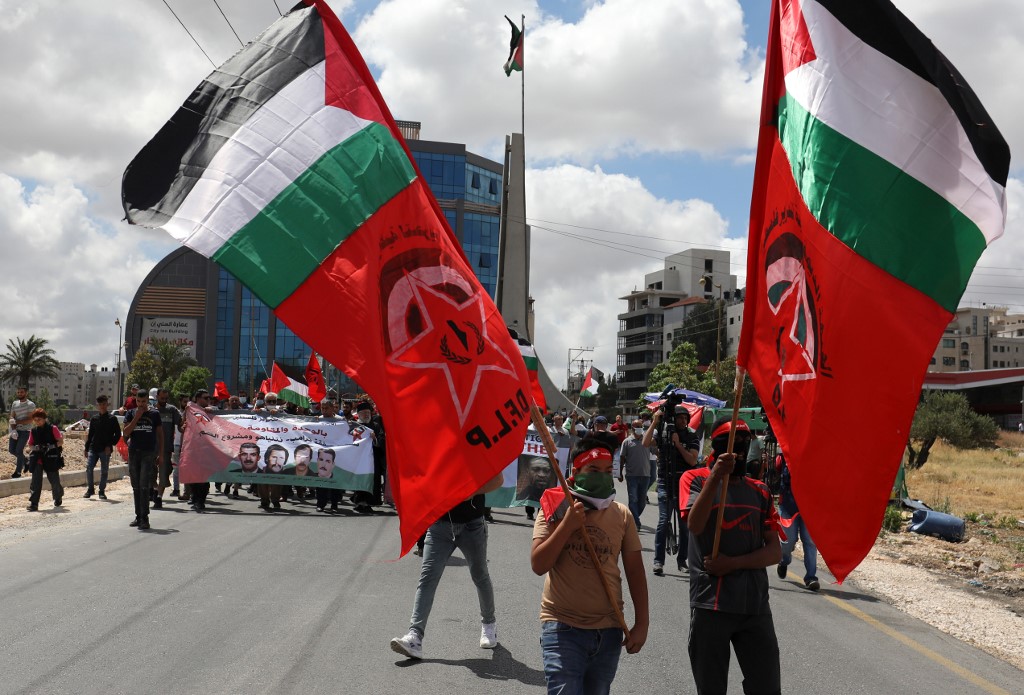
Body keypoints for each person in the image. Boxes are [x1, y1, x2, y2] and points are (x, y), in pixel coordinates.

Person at [530, 438, 649, 694]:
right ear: (576, 472)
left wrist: (642, 624)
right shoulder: (556, 506)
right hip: (562, 629)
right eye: (594, 471)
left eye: (608, 471)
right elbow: (539, 564)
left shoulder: (622, 514)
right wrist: (567, 526)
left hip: (609, 631)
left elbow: (635, 571)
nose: (603, 478)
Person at [680, 417, 781, 695]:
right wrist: (715, 477)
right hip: (711, 605)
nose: (739, 451)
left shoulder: (760, 491)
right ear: (718, 447)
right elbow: (694, 525)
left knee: (767, 687)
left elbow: (775, 550)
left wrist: (732, 564)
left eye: (744, 445)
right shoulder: (694, 479)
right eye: (732, 445)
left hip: (755, 607)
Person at [390, 471, 505, 660]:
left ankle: (489, 624)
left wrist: (473, 491)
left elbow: (498, 480)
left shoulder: (475, 445)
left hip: (472, 526)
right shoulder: (437, 446)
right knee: (428, 578)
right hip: (439, 525)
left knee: (480, 575)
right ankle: (415, 637)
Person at [644, 407, 700, 576]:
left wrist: (677, 445)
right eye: (679, 418)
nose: (683, 421)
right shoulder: (662, 434)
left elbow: (692, 461)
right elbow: (645, 443)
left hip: (684, 486)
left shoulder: (691, 436)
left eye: (685, 418)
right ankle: (658, 561)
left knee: (685, 527)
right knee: (663, 522)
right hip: (664, 483)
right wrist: (654, 422)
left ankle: (682, 561)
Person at [776, 453, 819, 591]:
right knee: (788, 541)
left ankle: (811, 578)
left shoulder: (815, 459)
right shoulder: (783, 458)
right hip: (788, 506)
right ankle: (784, 561)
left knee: (810, 542)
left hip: (809, 509)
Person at [122, 389, 163, 530]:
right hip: (134, 452)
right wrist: (136, 418)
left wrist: (161, 454)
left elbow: (160, 435)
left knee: (144, 485)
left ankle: (145, 518)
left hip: (148, 453)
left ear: (148, 400)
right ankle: (138, 516)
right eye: (138, 402)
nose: (141, 404)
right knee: (136, 486)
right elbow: (126, 433)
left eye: (144, 401)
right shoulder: (130, 413)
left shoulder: (154, 414)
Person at [618, 419, 655, 529]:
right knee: (633, 499)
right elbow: (622, 458)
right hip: (632, 475)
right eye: (637, 426)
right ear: (632, 428)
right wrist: (619, 473)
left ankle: (632, 519)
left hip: (645, 475)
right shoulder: (627, 441)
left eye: (641, 426)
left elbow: (656, 451)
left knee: (642, 501)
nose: (640, 428)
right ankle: (636, 522)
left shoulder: (647, 440)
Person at [83, 395, 121, 499]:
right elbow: (90, 435)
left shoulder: (112, 419)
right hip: (93, 448)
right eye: (100, 404)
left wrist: (110, 445)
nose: (102, 406)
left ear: (107, 404)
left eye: (104, 404)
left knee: (104, 471)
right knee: (89, 468)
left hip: (105, 449)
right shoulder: (94, 419)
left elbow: (117, 435)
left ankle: (101, 491)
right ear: (97, 406)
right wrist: (86, 448)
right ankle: (90, 489)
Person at [26, 408, 64, 511]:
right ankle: (34, 504)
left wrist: (51, 446)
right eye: (35, 420)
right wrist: (36, 448)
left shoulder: (53, 428)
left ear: (44, 418)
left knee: (54, 480)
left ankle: (58, 496)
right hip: (38, 458)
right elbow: (30, 444)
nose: (37, 421)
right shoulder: (33, 431)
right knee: (35, 482)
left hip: (51, 458)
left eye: (39, 419)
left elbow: (60, 441)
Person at [153, 388, 182, 509]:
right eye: (162, 398)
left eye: (166, 398)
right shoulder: (150, 411)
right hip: (150, 448)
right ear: (157, 397)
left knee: (164, 474)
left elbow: (180, 426)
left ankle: (159, 497)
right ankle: (155, 489)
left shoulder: (172, 410)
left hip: (165, 448)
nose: (164, 400)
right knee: (150, 474)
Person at [350, 401, 378, 514]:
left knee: (370, 481)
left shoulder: (375, 426)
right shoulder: (355, 426)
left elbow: (381, 441)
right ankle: (359, 502)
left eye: (368, 413)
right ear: (359, 414)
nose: (366, 415)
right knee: (359, 479)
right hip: (358, 459)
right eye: (364, 413)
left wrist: (374, 438)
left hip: (372, 460)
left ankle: (367, 502)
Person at [516, 453, 555, 521]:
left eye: (546, 471)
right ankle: (530, 512)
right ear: (528, 471)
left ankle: (540, 514)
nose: (541, 475)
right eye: (536, 469)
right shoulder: (522, 495)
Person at [8, 386, 35, 478]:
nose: (20, 394)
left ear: (26, 393)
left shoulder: (30, 405)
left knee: (19, 451)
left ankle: (18, 472)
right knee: (11, 450)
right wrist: (13, 428)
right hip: (15, 430)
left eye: (22, 392)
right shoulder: (15, 404)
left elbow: (30, 420)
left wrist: (17, 422)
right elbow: (12, 417)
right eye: (18, 392)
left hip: (25, 431)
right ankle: (26, 461)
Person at [259, 444, 287, 511]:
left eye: (281, 458)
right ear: (267, 458)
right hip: (265, 474)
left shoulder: (285, 472)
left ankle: (275, 501)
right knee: (262, 486)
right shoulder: (261, 470)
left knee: (277, 486)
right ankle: (264, 501)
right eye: (274, 457)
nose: (277, 462)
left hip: (278, 476)